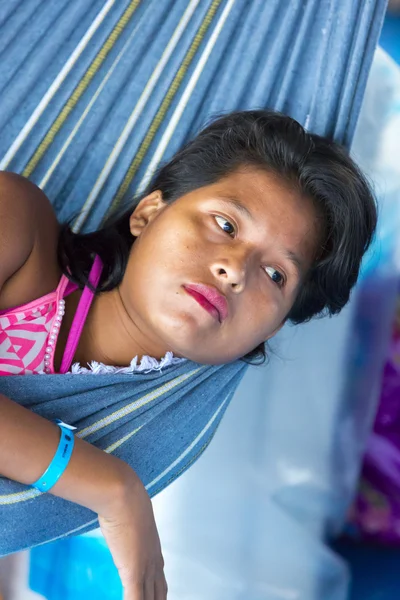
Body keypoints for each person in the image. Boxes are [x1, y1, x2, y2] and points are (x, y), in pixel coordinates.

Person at [0, 110, 377, 599]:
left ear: (268, 331)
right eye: (225, 223)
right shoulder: (17, 225)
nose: (235, 270)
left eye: (277, 275)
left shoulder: (160, 438)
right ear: (148, 212)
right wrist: (110, 485)